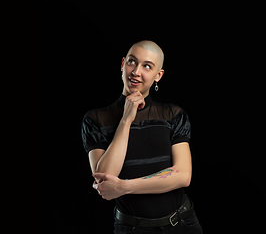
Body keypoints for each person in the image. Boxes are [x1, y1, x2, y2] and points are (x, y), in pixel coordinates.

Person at [81, 40, 203, 234]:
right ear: (122, 64)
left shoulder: (172, 115)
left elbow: (183, 176)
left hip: (181, 225)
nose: (136, 71)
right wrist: (125, 121)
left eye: (147, 66)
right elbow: (104, 181)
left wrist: (124, 186)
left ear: (158, 76)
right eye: (132, 62)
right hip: (131, 229)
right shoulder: (96, 119)